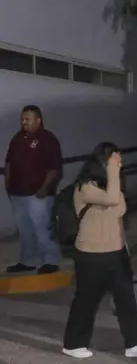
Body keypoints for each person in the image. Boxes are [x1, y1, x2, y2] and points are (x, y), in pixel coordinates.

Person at [61, 142, 137, 360]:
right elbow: (113, 200)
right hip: (90, 254)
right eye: (114, 158)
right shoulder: (85, 187)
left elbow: (120, 208)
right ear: (101, 162)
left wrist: (114, 177)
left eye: (119, 158)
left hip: (116, 252)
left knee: (126, 300)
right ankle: (73, 343)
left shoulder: (113, 184)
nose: (119, 161)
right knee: (86, 300)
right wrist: (113, 172)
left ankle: (135, 343)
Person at [5, 105, 63, 274]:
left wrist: (44, 188)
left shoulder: (47, 139)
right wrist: (8, 186)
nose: (24, 122)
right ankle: (28, 260)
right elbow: (9, 162)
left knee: (42, 227)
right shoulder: (17, 138)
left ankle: (51, 260)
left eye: (28, 119)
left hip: (38, 193)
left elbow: (54, 168)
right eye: (22, 119)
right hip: (17, 193)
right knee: (24, 229)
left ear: (38, 120)